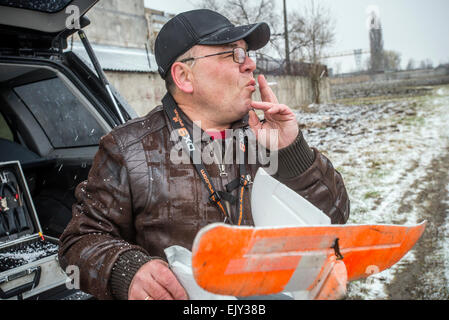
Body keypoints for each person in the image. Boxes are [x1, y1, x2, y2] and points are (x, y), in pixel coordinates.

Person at [58, 9, 350, 300]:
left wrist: (291, 150)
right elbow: (79, 242)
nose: (250, 64)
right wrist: (125, 269)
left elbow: (336, 216)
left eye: (247, 53)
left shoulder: (266, 136)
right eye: (234, 54)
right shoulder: (129, 149)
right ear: (185, 76)